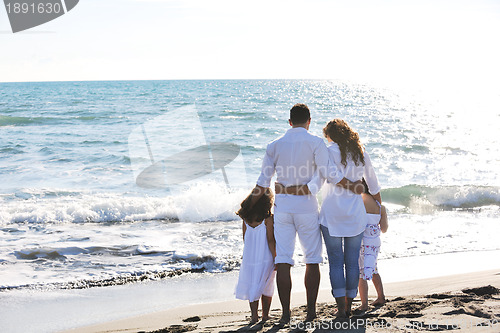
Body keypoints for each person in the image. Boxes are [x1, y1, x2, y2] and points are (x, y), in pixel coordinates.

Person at [248, 104, 364, 324]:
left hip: (283, 209)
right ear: (309, 121)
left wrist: (248, 206)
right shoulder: (316, 143)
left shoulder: (274, 146)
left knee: (283, 260)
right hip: (307, 209)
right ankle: (311, 313)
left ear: (289, 122)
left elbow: (262, 183)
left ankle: (285, 315)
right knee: (312, 260)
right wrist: (355, 186)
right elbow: (328, 174)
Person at [277, 118, 381, 318]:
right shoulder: (361, 154)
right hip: (355, 216)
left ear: (329, 135)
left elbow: (315, 183)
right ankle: (349, 306)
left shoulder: (327, 152)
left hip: (331, 216)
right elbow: (374, 186)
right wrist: (380, 209)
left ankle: (340, 308)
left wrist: (288, 191)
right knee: (351, 263)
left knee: (335, 261)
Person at [234, 188, 276, 324]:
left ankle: (254, 316)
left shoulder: (245, 218)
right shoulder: (268, 219)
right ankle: (265, 315)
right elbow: (270, 240)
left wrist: (250, 253)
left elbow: (245, 238)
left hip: (250, 257)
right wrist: (276, 257)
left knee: (253, 285)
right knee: (267, 285)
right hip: (266, 257)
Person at [355, 179, 388, 314]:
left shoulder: (358, 202)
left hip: (363, 243)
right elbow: (384, 228)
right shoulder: (380, 206)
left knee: (361, 272)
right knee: (373, 268)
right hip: (374, 244)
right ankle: (381, 297)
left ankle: (364, 304)